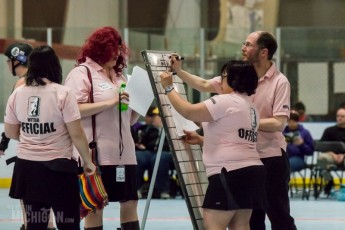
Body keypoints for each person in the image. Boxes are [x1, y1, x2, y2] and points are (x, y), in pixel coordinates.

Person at [169, 31, 297, 230]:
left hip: (270, 155)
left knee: (278, 213)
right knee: (252, 220)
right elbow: (203, 84)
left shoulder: (279, 82)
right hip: (246, 157)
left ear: (264, 52)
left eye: (248, 44)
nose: (243, 48)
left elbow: (279, 123)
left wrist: (244, 120)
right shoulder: (239, 76)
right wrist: (179, 71)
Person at [160, 60, 266, 229]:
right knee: (241, 225)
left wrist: (168, 88)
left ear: (234, 80)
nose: (219, 81)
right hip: (252, 171)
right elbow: (237, 139)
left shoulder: (225, 101)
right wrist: (203, 140)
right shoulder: (251, 106)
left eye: (223, 76)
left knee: (213, 226)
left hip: (229, 172)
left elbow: (188, 111)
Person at [4, 45, 96, 229]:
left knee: (36, 224)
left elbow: (10, 132)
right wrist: (88, 161)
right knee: (68, 223)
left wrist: (33, 136)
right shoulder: (63, 93)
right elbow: (76, 133)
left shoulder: (17, 94)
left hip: (27, 169)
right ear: (55, 66)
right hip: (58, 169)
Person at [64, 26, 140, 230]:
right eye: (111, 50)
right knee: (95, 206)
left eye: (118, 49)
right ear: (99, 49)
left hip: (125, 154)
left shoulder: (120, 76)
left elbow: (129, 120)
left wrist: (140, 104)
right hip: (95, 154)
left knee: (131, 203)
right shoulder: (82, 73)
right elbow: (72, 111)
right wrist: (110, 102)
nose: (117, 54)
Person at [1, 42, 57, 230]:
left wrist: (3, 143)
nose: (7, 64)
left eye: (9, 60)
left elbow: (13, 121)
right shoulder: (49, 82)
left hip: (30, 155)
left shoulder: (21, 84)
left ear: (17, 61)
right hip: (54, 154)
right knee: (47, 211)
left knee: (31, 215)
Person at [132, 106, 174, 199]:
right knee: (138, 156)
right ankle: (136, 189)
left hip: (166, 153)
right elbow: (140, 142)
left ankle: (163, 190)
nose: (154, 119)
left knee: (160, 158)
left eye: (156, 116)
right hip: (149, 152)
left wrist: (162, 128)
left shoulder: (171, 129)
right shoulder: (145, 129)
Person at [316, 107, 345, 196]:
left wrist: (343, 156)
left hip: (344, 157)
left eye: (342, 116)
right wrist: (332, 154)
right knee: (321, 159)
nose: (339, 118)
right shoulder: (329, 130)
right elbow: (321, 146)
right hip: (330, 156)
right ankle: (329, 180)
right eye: (338, 116)